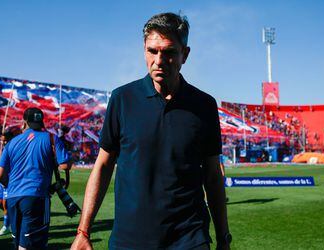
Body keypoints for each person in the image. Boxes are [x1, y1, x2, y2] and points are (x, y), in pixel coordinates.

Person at [71, 12, 231, 250]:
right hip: (130, 239)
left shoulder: (204, 105)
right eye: (152, 51)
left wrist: (223, 238)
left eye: (168, 52)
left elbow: (212, 175)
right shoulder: (122, 99)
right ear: (144, 50)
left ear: (184, 55)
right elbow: (103, 166)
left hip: (189, 239)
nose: (158, 60)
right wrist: (83, 231)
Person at [0, 107, 70, 249]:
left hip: (13, 199)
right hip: (37, 196)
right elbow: (65, 165)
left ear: (25, 122)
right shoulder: (51, 138)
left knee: (19, 244)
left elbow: (0, 177)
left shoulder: (12, 142)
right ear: (41, 121)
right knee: (35, 245)